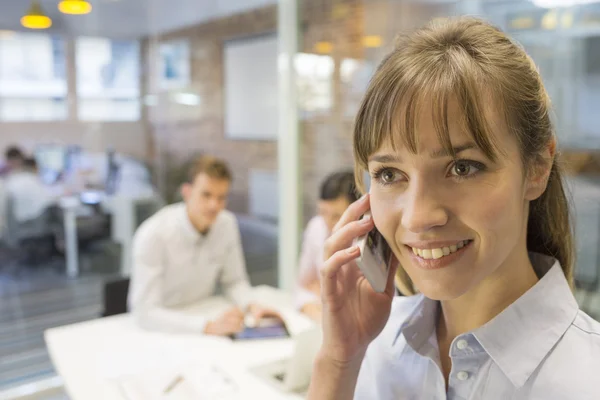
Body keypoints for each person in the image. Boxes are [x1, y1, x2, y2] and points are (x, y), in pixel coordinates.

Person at [308, 17, 600, 400]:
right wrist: (338, 361)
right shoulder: (373, 344)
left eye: (463, 168)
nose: (417, 216)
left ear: (537, 168)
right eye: (389, 174)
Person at [128, 155, 279, 336]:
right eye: (206, 195)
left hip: (203, 316)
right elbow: (145, 312)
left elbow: (234, 281)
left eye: (221, 197)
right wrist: (207, 327)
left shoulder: (226, 224)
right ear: (187, 192)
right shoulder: (154, 234)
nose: (214, 205)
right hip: (162, 329)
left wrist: (251, 305)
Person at [295, 171, 358, 321]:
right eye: (323, 212)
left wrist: (323, 293)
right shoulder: (316, 227)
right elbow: (301, 287)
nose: (328, 223)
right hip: (319, 318)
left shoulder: (369, 240)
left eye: (337, 216)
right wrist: (316, 312)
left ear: (357, 212)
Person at [5, 158, 57, 223]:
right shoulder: (32, 180)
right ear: (35, 167)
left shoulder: (12, 179)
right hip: (32, 221)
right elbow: (48, 201)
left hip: (17, 222)